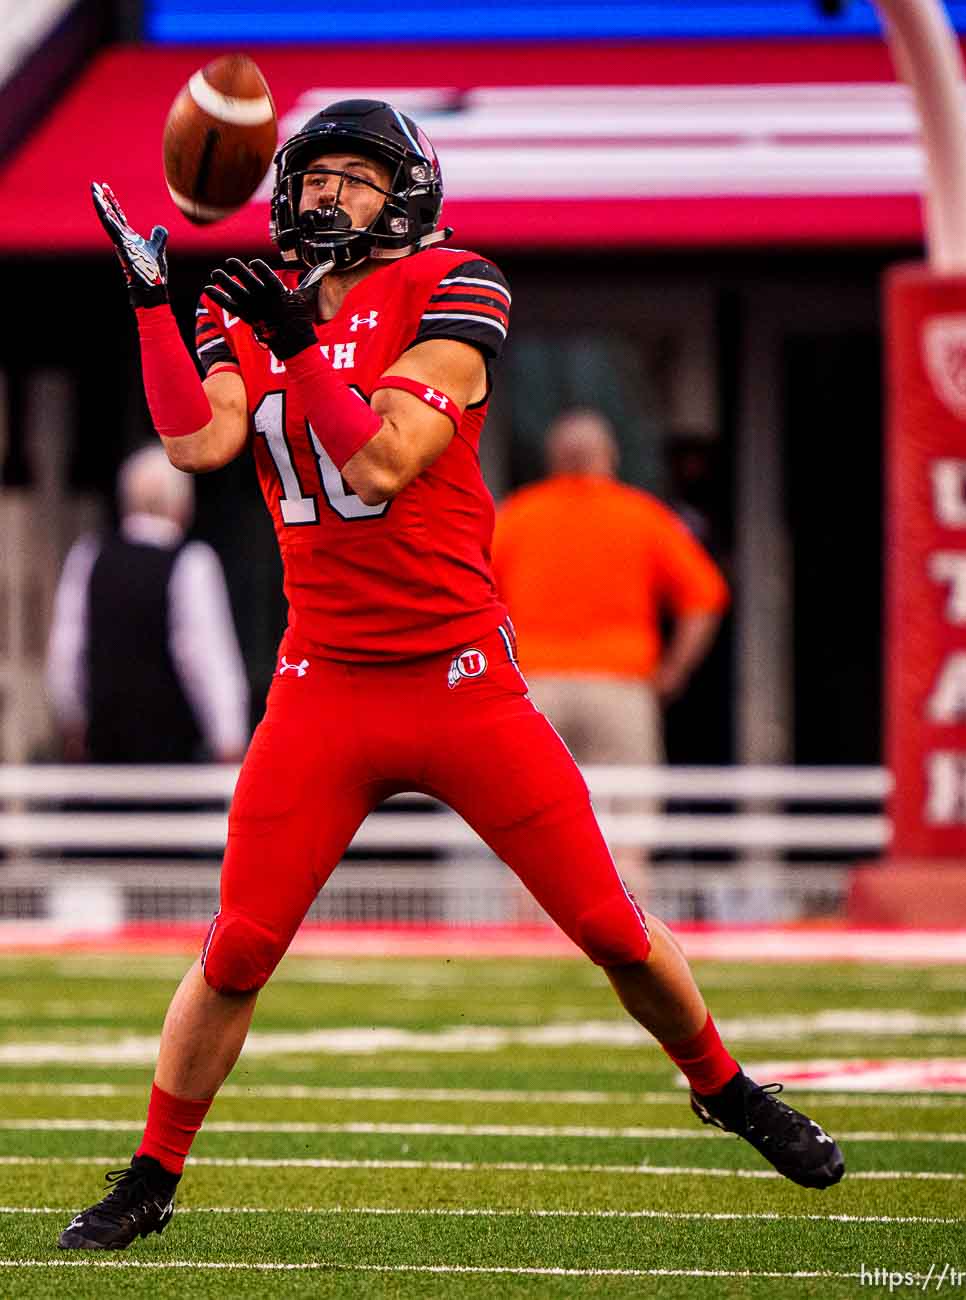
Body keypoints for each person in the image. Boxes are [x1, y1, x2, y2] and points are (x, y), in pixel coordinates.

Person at [59, 99, 843, 1252]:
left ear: (407, 194)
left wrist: (290, 344)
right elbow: (197, 442)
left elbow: (379, 462)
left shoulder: (454, 283)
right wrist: (152, 310)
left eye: (354, 178)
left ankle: (721, 1082)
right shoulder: (254, 296)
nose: (327, 196)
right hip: (323, 680)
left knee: (609, 926)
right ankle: (152, 1171)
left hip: (457, 675)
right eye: (313, 176)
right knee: (237, 947)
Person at [492, 409, 729, 890]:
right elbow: (706, 597)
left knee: (533, 824)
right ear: (610, 456)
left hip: (534, 690)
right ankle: (627, 942)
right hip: (620, 689)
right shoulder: (641, 515)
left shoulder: (517, 515)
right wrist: (673, 671)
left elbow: (473, 597)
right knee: (626, 831)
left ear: (554, 458)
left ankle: (528, 938)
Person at [45, 443, 249, 763]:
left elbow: (66, 653)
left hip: (102, 756)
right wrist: (230, 739)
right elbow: (206, 659)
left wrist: (73, 724)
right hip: (174, 760)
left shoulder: (89, 556)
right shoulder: (192, 563)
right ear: (182, 506)